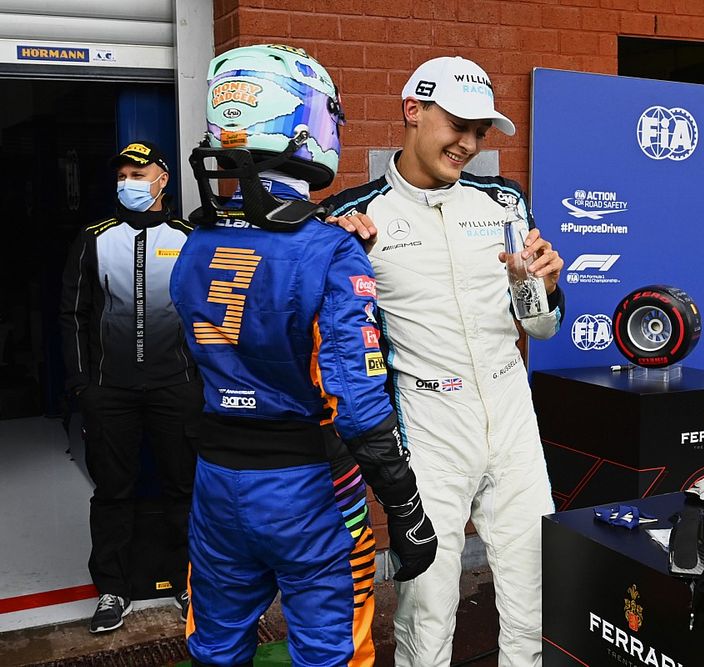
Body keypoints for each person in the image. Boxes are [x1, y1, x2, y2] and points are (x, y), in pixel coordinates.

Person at [170, 44, 436, 667]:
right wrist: (405, 506)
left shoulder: (193, 241)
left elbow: (185, 366)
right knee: (332, 650)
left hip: (216, 485)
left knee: (214, 645)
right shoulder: (331, 252)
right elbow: (360, 401)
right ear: (308, 123)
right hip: (309, 488)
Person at [323, 55, 565, 667]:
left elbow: (539, 325)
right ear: (413, 110)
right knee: (427, 605)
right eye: (458, 124)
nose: (468, 144)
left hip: (511, 408)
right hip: (428, 421)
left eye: (481, 131)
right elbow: (335, 339)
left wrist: (543, 286)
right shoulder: (357, 214)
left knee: (534, 591)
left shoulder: (504, 200)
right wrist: (333, 249)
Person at [59, 140, 201, 633]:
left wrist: (201, 382)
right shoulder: (95, 237)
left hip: (176, 389)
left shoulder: (190, 236)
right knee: (113, 493)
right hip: (109, 392)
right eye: (122, 175)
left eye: (139, 175)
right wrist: (82, 384)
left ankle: (189, 583)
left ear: (163, 179)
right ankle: (113, 590)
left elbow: (211, 313)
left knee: (184, 488)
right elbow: (73, 314)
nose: (129, 183)